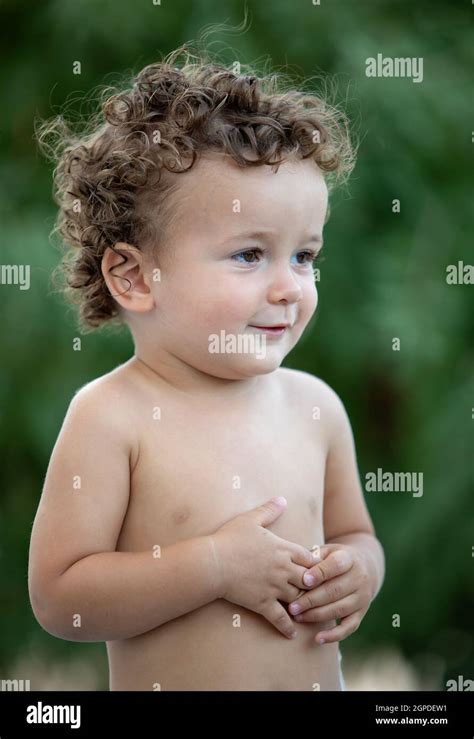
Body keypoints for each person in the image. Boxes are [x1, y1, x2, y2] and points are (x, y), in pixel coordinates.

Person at [28, 43, 384, 691]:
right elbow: (61, 598)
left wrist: (359, 570)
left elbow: (357, 532)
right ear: (135, 277)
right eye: (250, 255)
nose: (289, 287)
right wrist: (215, 565)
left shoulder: (315, 407)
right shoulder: (113, 417)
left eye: (305, 256)